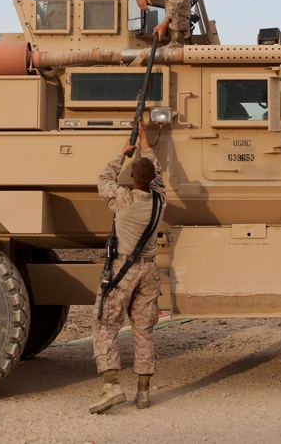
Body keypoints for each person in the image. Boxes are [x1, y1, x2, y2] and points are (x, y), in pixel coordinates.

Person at [89, 119, 166, 414]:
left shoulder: (123, 199)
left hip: (123, 270)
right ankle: (143, 393)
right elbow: (155, 171)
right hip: (149, 270)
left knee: (105, 323)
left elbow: (104, 177)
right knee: (143, 330)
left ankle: (111, 386)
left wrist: (124, 151)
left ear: (132, 176)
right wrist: (144, 142)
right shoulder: (160, 199)